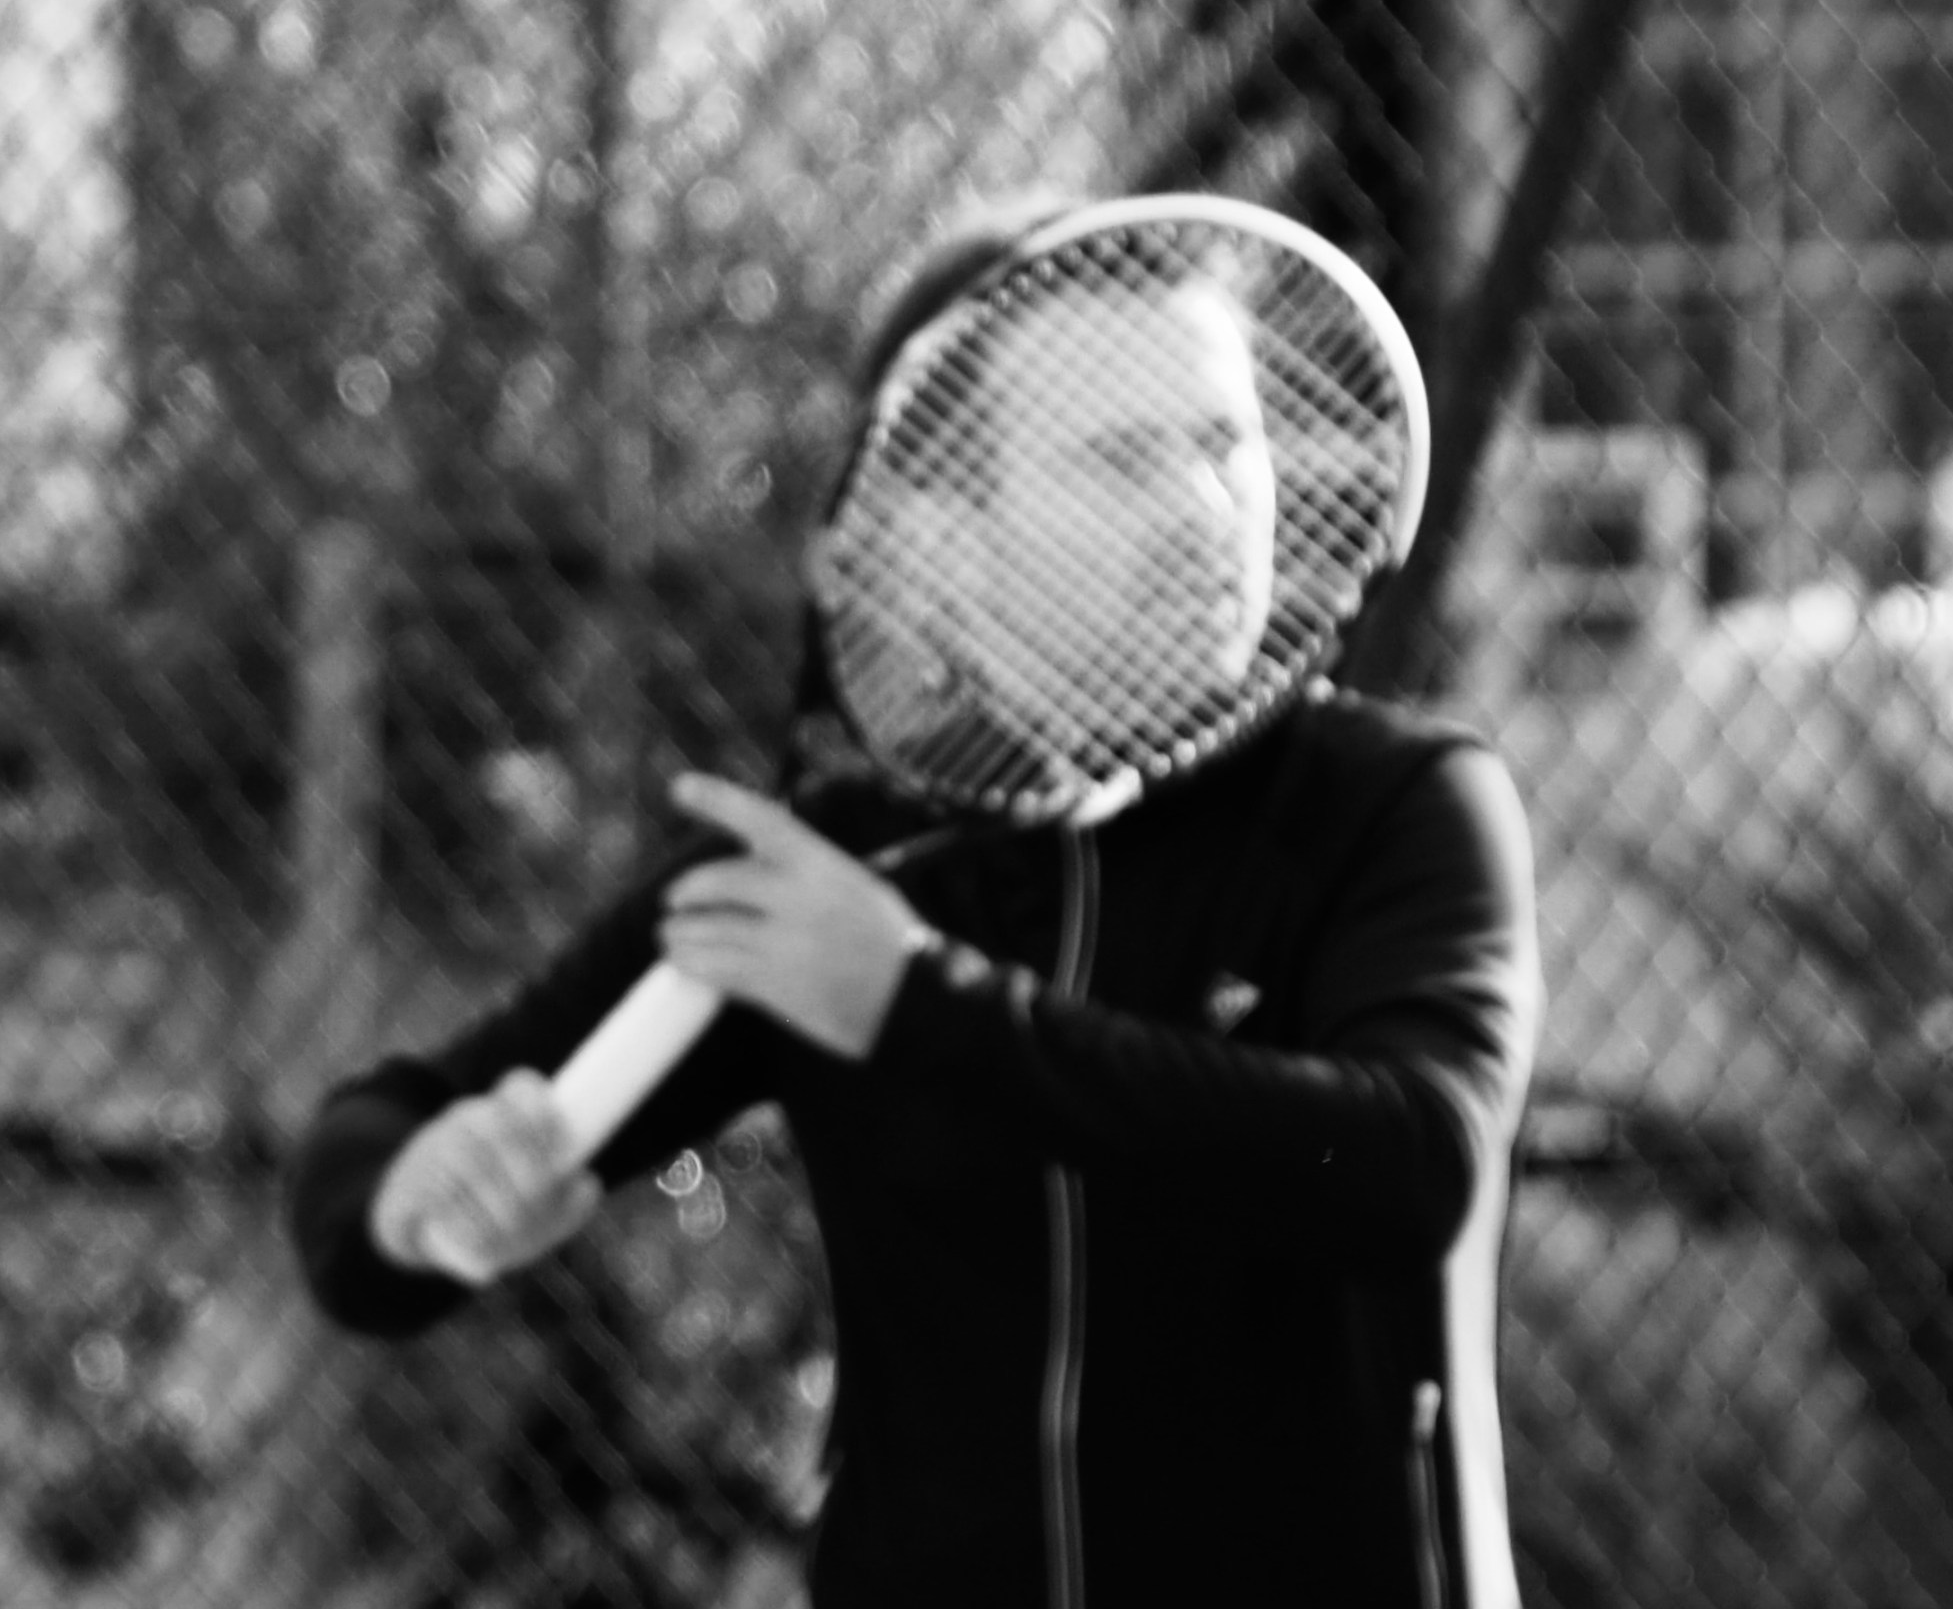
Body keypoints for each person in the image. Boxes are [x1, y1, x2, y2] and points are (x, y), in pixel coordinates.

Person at [288, 199, 1544, 1609]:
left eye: (1223, 443)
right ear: (937, 529)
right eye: (1122, 460)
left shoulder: (1400, 804)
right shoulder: (839, 867)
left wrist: (910, 1003)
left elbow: (1409, 1165)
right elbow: (370, 1159)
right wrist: (417, 1200)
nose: (1205, 509)